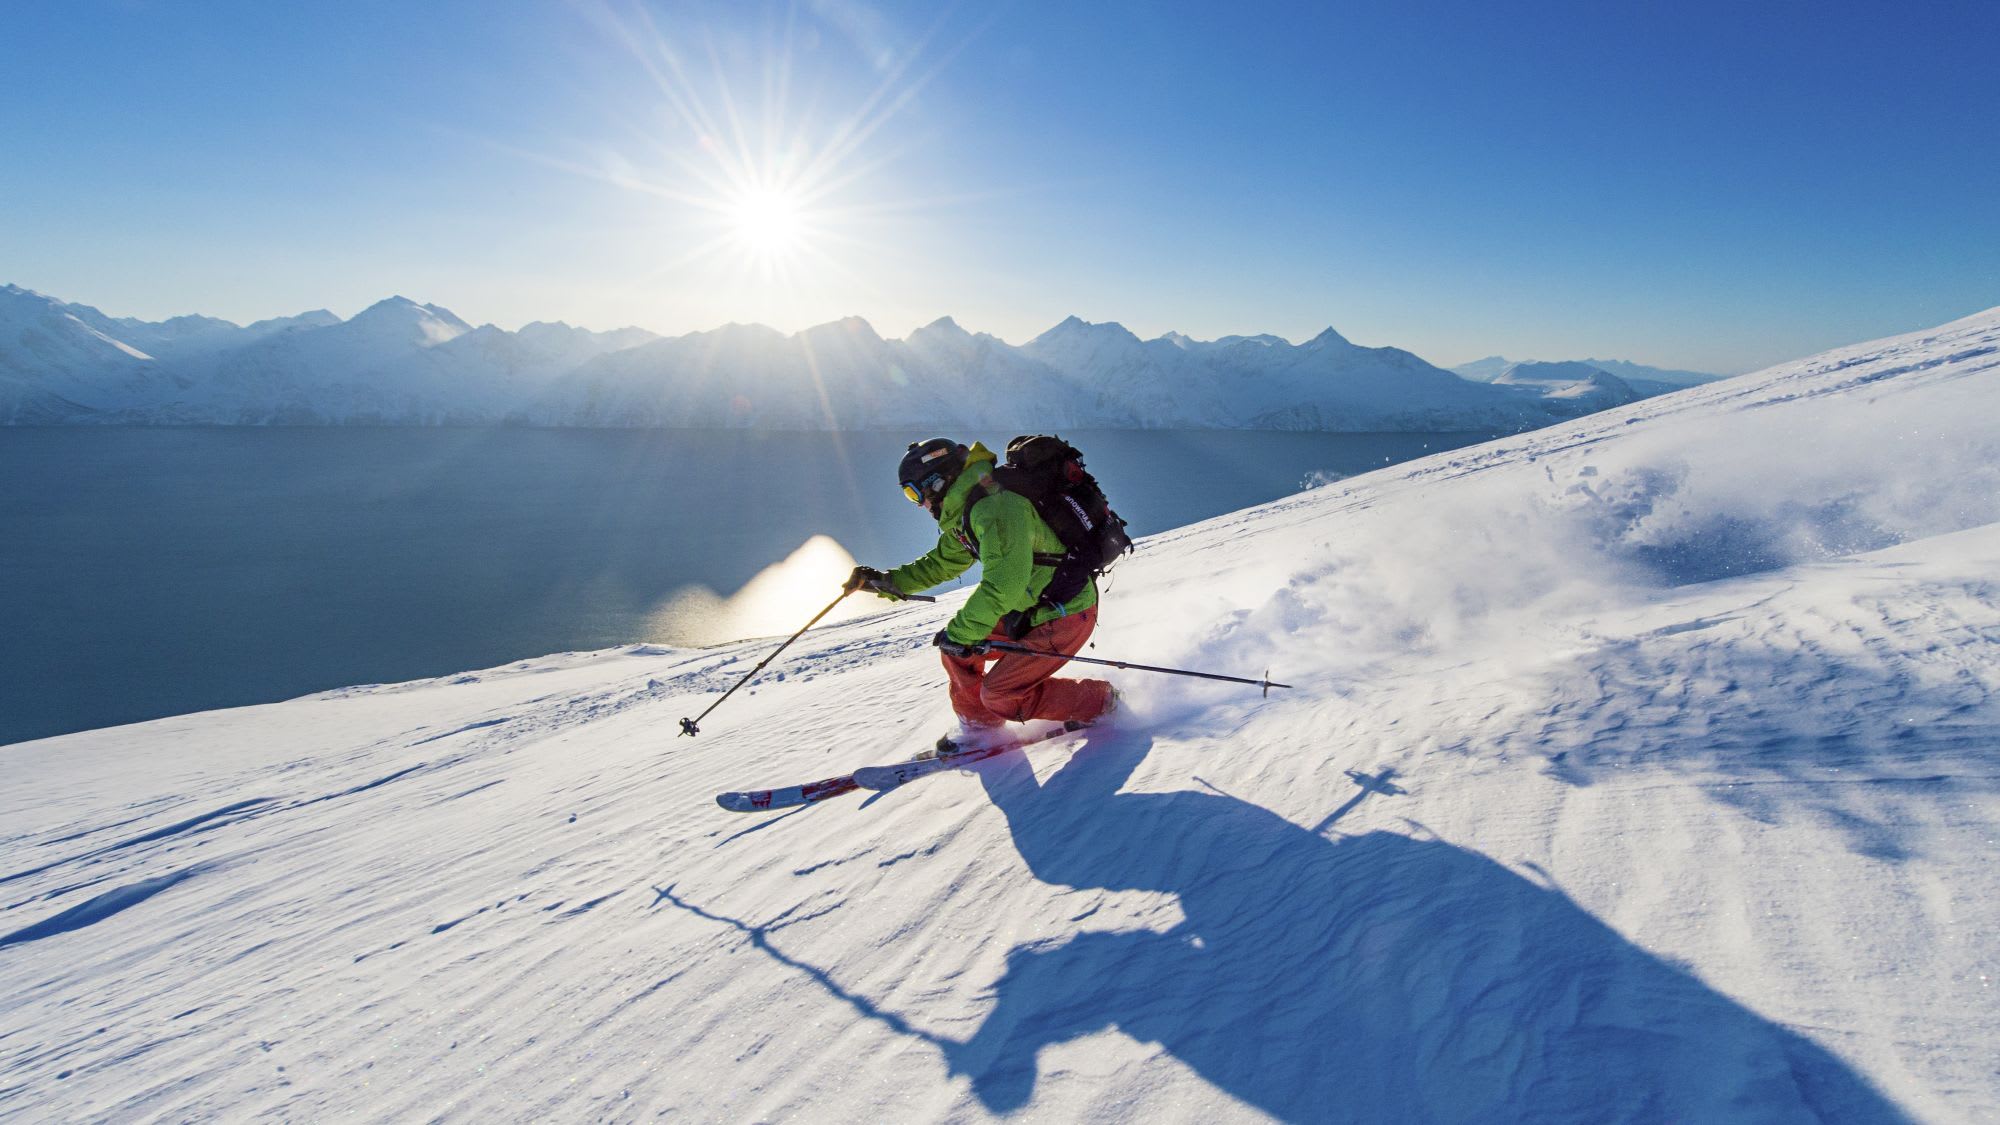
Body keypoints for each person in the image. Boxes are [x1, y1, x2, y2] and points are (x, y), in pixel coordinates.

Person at [847, 437, 1116, 753]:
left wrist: (961, 633)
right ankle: (980, 730)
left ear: (937, 482)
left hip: (1064, 612)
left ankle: (1102, 702)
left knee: (1000, 695)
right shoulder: (970, 509)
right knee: (957, 652)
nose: (919, 504)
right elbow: (942, 563)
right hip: (1029, 606)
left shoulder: (996, 508)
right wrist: (886, 582)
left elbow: (1003, 585)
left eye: (914, 493)